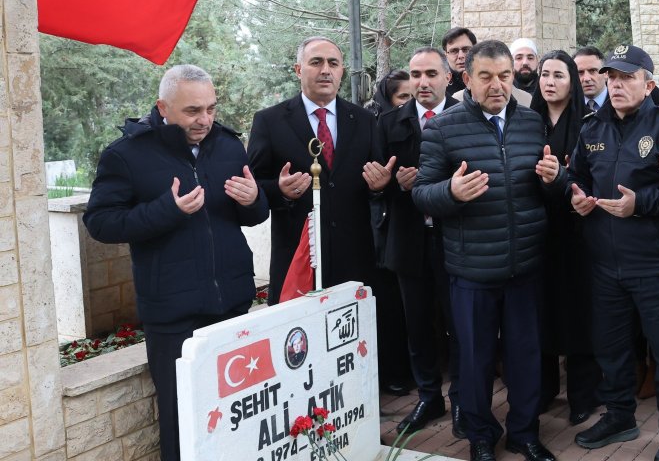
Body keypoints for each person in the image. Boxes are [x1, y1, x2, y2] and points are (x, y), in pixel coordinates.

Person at [85, 65, 268, 461]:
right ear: (162, 107)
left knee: (238, 416)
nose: (204, 120)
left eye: (211, 109)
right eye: (192, 111)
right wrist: (167, 210)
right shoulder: (126, 154)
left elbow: (251, 217)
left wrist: (254, 199)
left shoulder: (229, 146)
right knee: (183, 422)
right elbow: (99, 223)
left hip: (233, 304)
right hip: (173, 315)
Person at [413, 40, 559, 461]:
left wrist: (555, 178)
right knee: (475, 361)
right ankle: (479, 435)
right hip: (472, 269)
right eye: (487, 76)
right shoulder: (442, 128)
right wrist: (452, 192)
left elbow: (546, 187)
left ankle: (524, 433)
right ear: (466, 79)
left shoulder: (532, 123)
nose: (498, 86)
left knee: (526, 358)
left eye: (505, 76)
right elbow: (422, 194)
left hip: (526, 265)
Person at [247, 37, 408, 391]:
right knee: (301, 347)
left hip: (356, 256)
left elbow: (380, 181)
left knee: (351, 342)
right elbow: (253, 185)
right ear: (298, 69)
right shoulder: (270, 121)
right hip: (298, 257)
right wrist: (279, 190)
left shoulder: (365, 120)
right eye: (316, 62)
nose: (325, 70)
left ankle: (357, 413)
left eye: (333, 64)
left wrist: (382, 185)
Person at [560, 45, 659, 461]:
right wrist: (575, 196)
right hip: (605, 264)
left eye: (626, 78)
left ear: (648, 84)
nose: (616, 85)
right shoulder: (591, 129)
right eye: (611, 78)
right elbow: (578, 178)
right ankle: (620, 416)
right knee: (611, 349)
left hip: (658, 264)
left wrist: (641, 203)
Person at [372, 47, 460, 435]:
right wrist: (391, 184)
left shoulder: (466, 117)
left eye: (430, 74)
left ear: (448, 78)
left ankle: (462, 398)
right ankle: (428, 396)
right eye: (415, 74)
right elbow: (375, 181)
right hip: (408, 239)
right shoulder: (389, 122)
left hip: (458, 239)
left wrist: (431, 185)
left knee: (460, 325)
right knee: (418, 324)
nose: (421, 82)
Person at [528, 50, 602, 426]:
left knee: (577, 314)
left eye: (558, 74)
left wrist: (568, 180)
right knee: (540, 313)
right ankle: (543, 390)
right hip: (535, 231)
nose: (550, 81)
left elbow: (595, 175)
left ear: (572, 80)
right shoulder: (526, 121)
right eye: (544, 75)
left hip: (577, 231)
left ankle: (582, 395)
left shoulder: (590, 123)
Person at [443, 26, 477, 96]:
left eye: (466, 49)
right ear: (446, 54)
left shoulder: (487, 79)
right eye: (454, 51)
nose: (461, 56)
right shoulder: (439, 84)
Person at [575, 46, 609, 112]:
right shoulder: (567, 108)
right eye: (580, 72)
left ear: (606, 73)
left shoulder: (622, 104)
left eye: (593, 70)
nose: (586, 79)